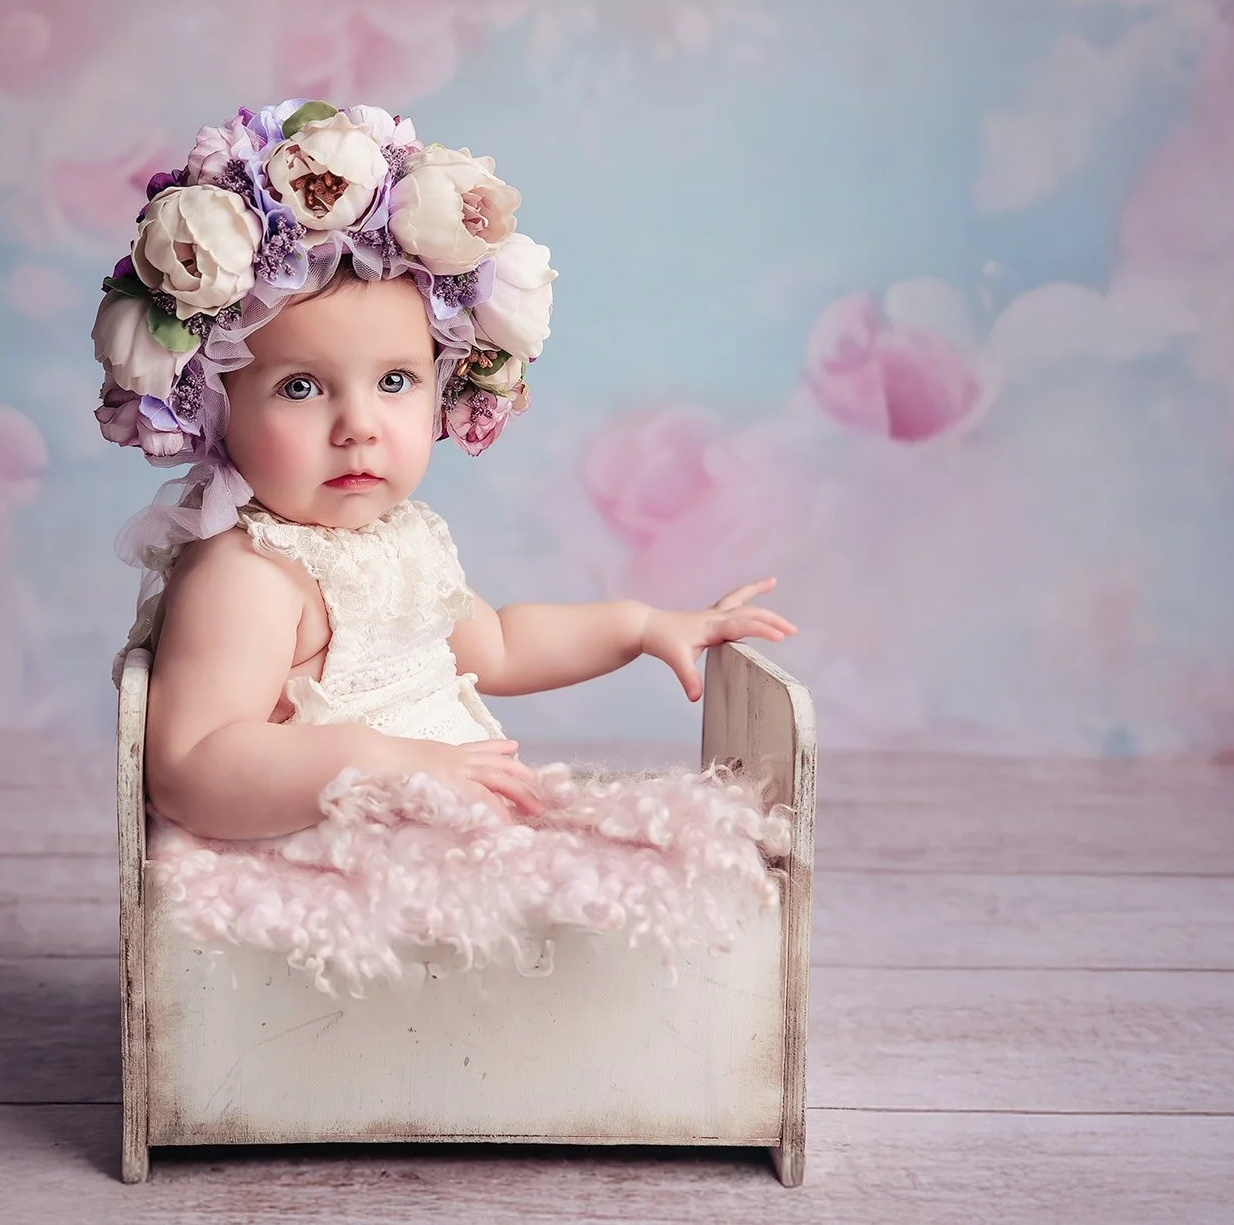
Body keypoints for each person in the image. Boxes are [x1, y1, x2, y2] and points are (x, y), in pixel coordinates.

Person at [93, 100, 795, 842]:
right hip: (328, 853)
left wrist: (644, 626)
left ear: (442, 385)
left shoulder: (400, 539)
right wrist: (386, 763)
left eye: (393, 381)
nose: (358, 425)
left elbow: (500, 646)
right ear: (213, 405)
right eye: (300, 387)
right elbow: (190, 765)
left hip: (439, 841)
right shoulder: (249, 573)